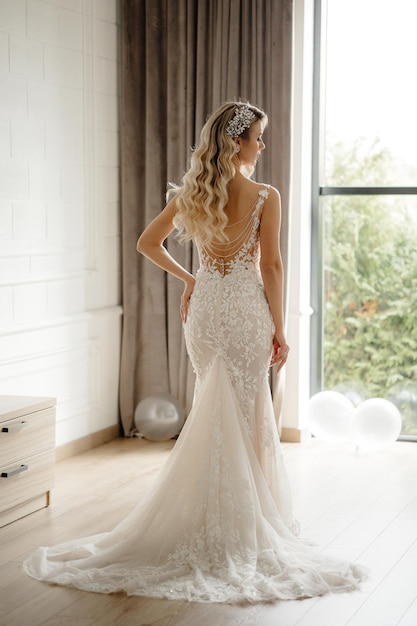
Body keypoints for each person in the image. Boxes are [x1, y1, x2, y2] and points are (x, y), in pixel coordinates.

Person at [23, 101, 366, 603]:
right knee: (246, 412)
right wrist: (281, 327)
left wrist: (192, 279)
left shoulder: (194, 194)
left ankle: (212, 520)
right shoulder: (265, 195)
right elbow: (270, 265)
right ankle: (244, 526)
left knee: (213, 405)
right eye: (258, 137)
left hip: (205, 309)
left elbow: (147, 242)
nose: (262, 145)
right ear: (238, 142)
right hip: (246, 309)